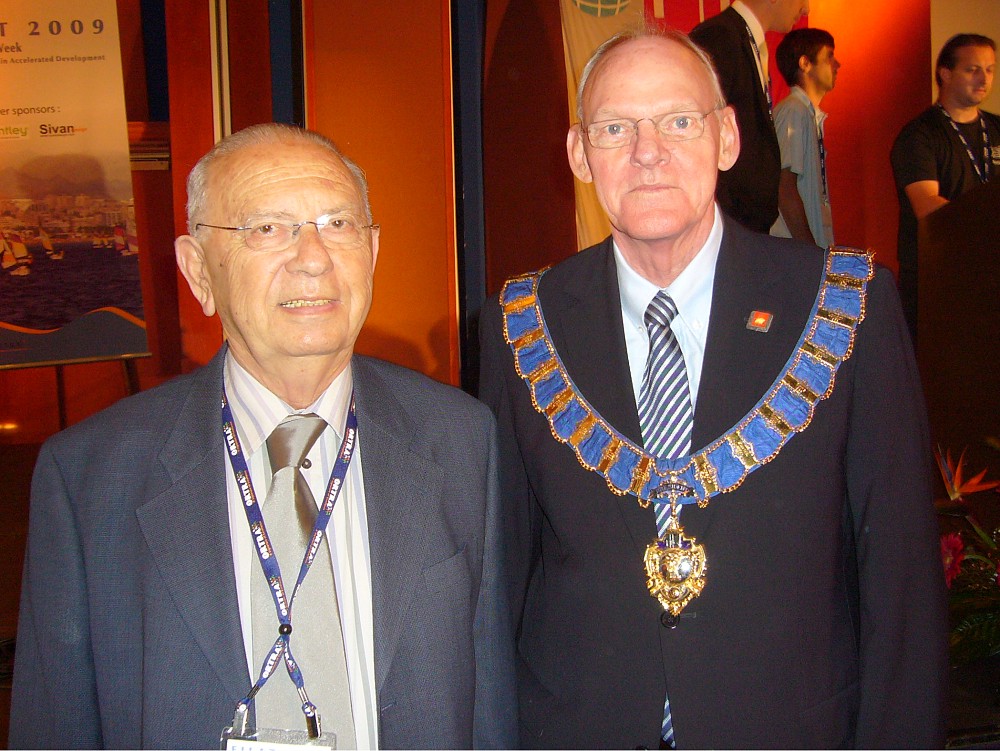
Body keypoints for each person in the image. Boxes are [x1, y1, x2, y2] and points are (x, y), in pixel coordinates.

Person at [479, 26, 947, 749]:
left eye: (678, 121)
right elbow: (500, 578)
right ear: (579, 153)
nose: (647, 151)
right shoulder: (520, 326)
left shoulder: (845, 307)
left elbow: (902, 582)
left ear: (727, 137)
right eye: (614, 128)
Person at [9, 123, 515, 750]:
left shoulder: (460, 439)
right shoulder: (91, 477)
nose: (313, 257)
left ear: (373, 251)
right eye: (267, 228)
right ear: (198, 271)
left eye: (338, 224)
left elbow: (489, 702)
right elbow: (55, 724)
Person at [891, 33, 998, 340]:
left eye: (990, 70)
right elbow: (928, 206)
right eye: (972, 70)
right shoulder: (920, 135)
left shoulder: (996, 128)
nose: (984, 79)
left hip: (990, 274)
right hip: (940, 278)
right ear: (945, 74)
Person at [690, 0, 809, 233]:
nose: (806, 9)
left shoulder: (746, 40)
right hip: (728, 227)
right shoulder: (719, 38)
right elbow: (699, 136)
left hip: (746, 228)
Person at [770, 27, 840, 247]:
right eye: (829, 57)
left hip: (803, 251)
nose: (837, 65)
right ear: (805, 63)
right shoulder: (794, 111)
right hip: (794, 253)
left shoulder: (807, 114)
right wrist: (809, 250)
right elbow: (784, 188)